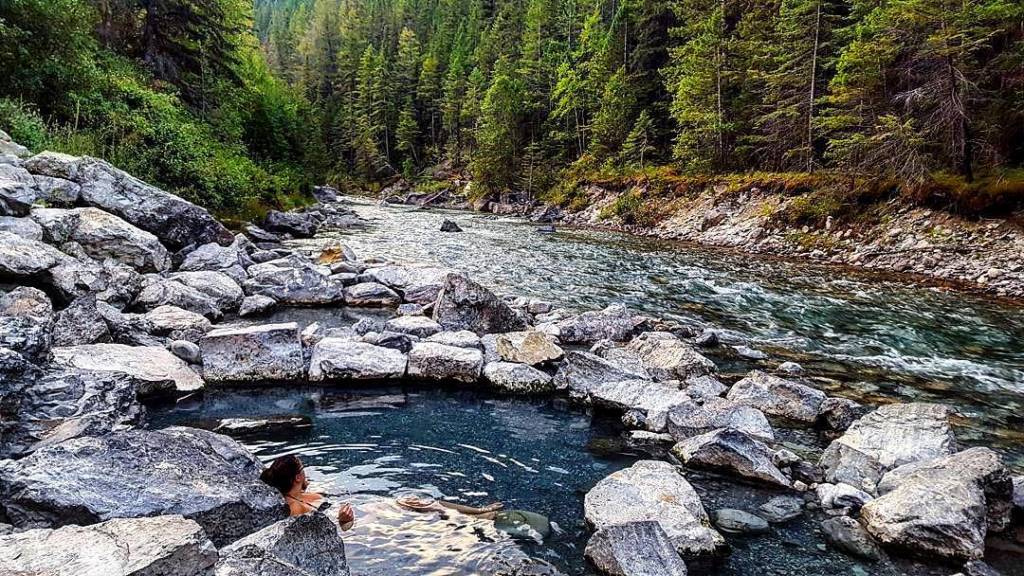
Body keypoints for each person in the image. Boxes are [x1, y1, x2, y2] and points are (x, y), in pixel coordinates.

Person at [396, 496, 551, 540]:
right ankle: (478, 516)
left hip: (384, 508)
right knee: (427, 507)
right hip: (384, 512)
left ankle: (478, 513)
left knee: (427, 503)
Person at [260, 455, 355, 526]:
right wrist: (341, 520)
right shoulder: (295, 508)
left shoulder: (304, 497)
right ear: (298, 478)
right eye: (303, 468)